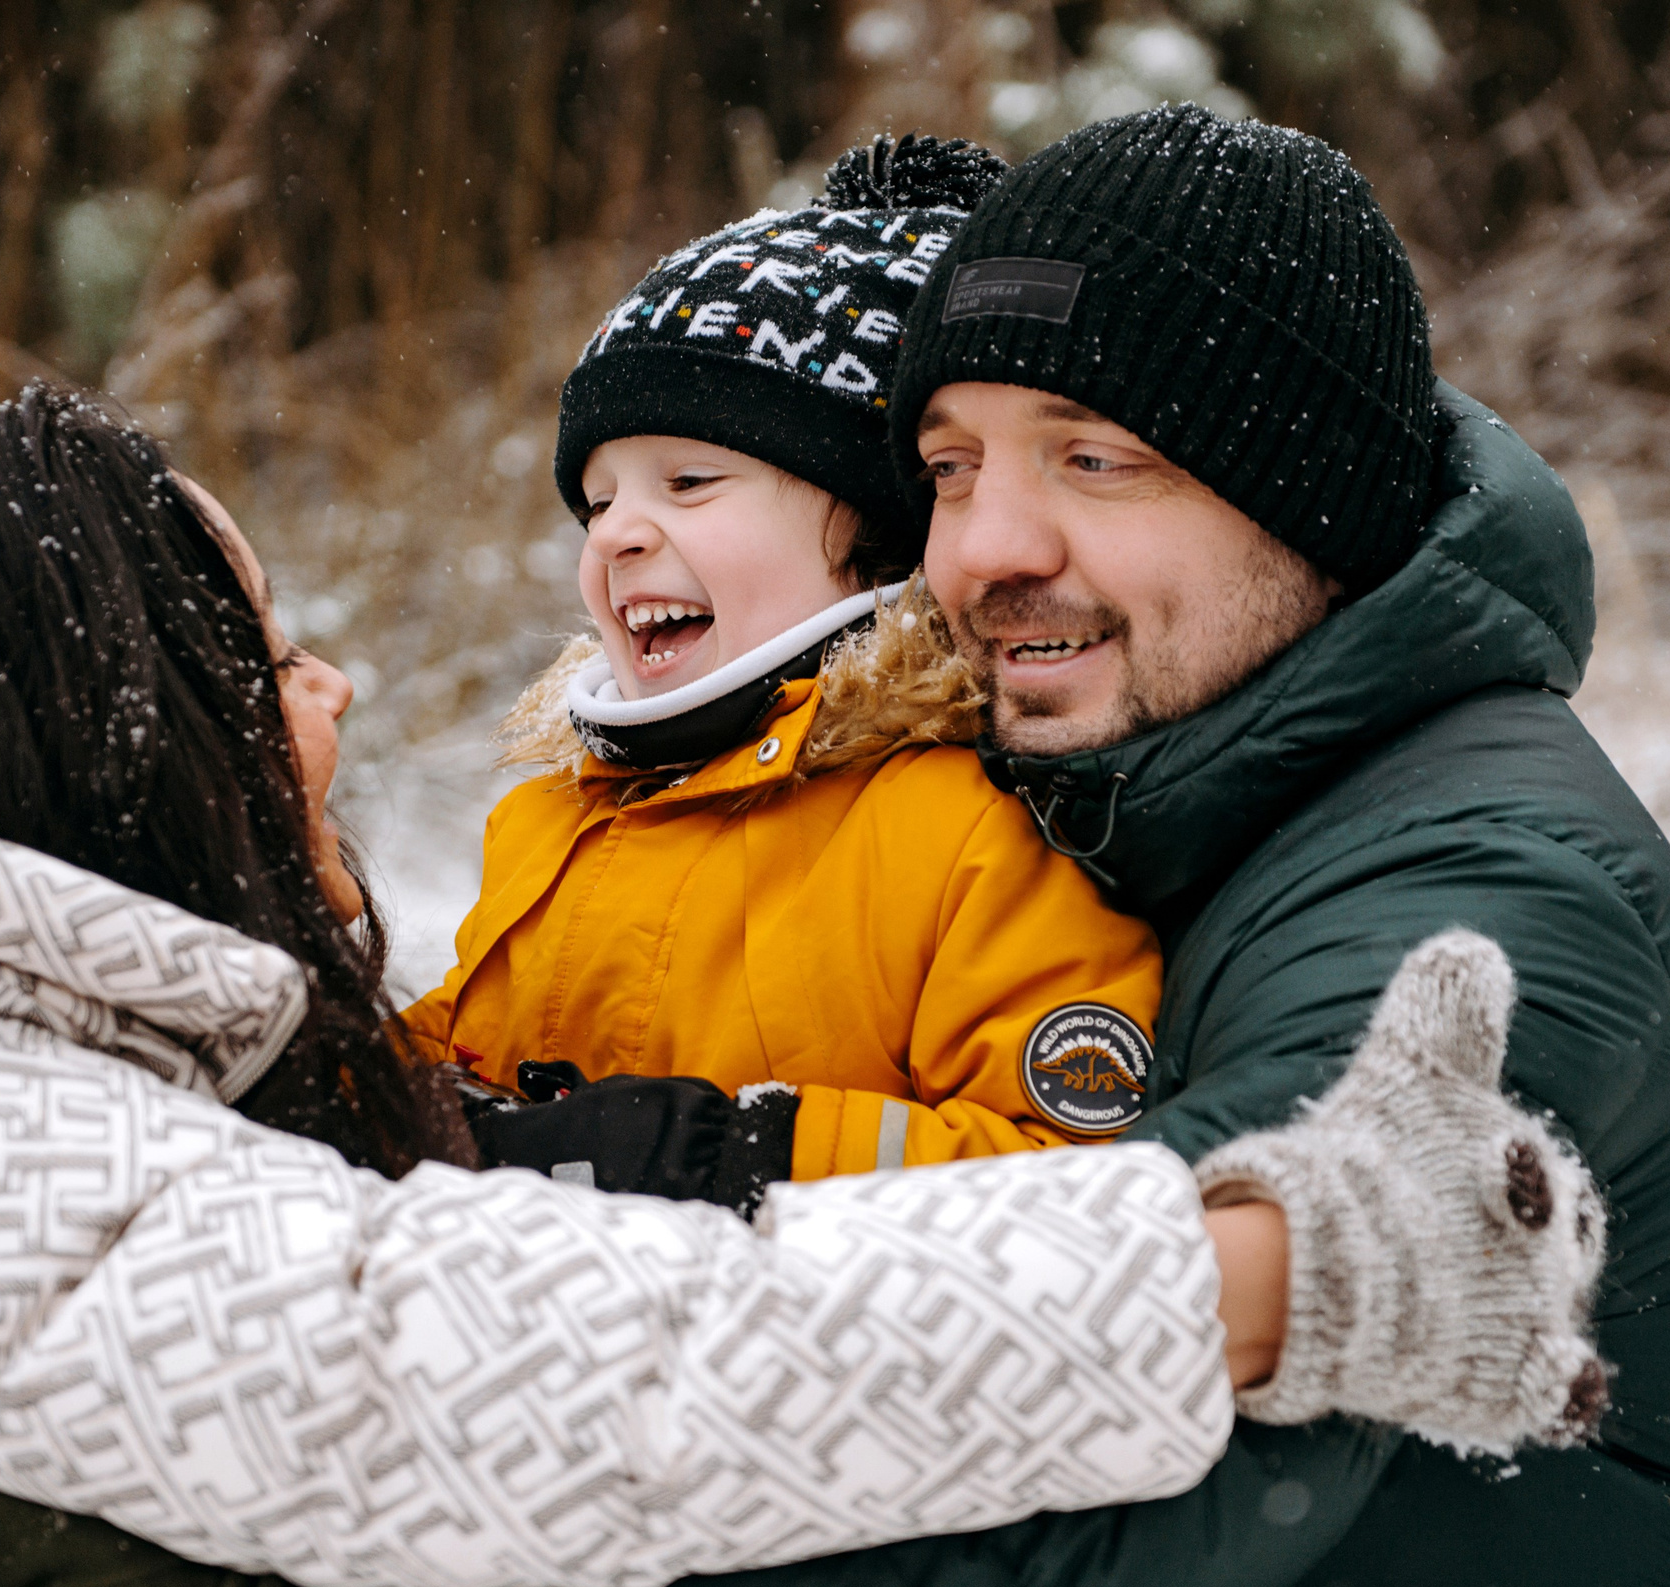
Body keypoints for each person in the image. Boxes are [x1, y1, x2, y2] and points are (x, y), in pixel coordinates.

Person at [176, 112, 1670, 1587]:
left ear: (1298, 495)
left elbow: (1063, 1492)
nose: (984, 549)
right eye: (949, 468)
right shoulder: (1142, 784)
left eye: (1097, 457)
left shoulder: (1475, 916)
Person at [0, 388, 1597, 1587]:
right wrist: (1247, 1278)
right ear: (93, 759)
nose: (322, 699)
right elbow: (473, 1363)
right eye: (256, 661)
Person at [411, 135, 1180, 1210]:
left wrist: (742, 1155)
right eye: (598, 502)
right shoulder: (555, 820)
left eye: (688, 480)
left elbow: (1076, 1180)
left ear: (881, 531)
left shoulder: (976, 830)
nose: (619, 535)